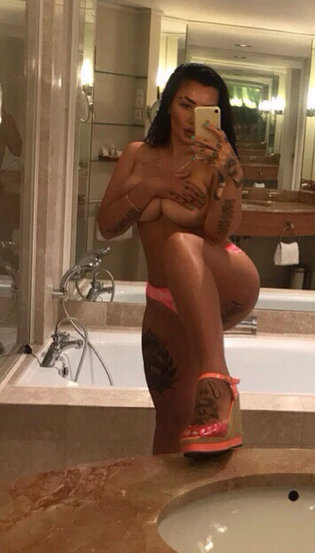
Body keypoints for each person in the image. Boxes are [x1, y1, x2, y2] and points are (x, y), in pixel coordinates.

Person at [97, 63, 260, 455]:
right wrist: (154, 185)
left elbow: (219, 233)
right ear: (169, 103)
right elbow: (107, 225)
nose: (191, 118)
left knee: (179, 246)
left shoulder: (215, 164)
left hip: (221, 280)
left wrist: (230, 175)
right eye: (186, 105)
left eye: (204, 110)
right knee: (171, 421)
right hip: (163, 301)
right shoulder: (137, 156)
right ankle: (173, 492)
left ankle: (219, 383)